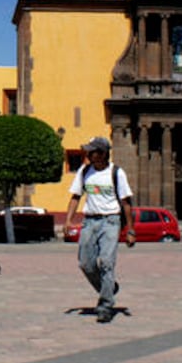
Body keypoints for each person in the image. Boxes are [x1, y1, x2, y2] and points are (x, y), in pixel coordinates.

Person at [63, 136, 135, 324]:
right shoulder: (85, 171)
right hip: (90, 221)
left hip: (110, 221)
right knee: (85, 263)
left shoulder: (117, 173)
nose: (88, 154)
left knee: (106, 263)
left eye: (92, 151)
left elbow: (126, 203)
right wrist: (68, 220)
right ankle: (109, 288)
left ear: (103, 153)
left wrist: (130, 230)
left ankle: (105, 305)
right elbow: (75, 196)